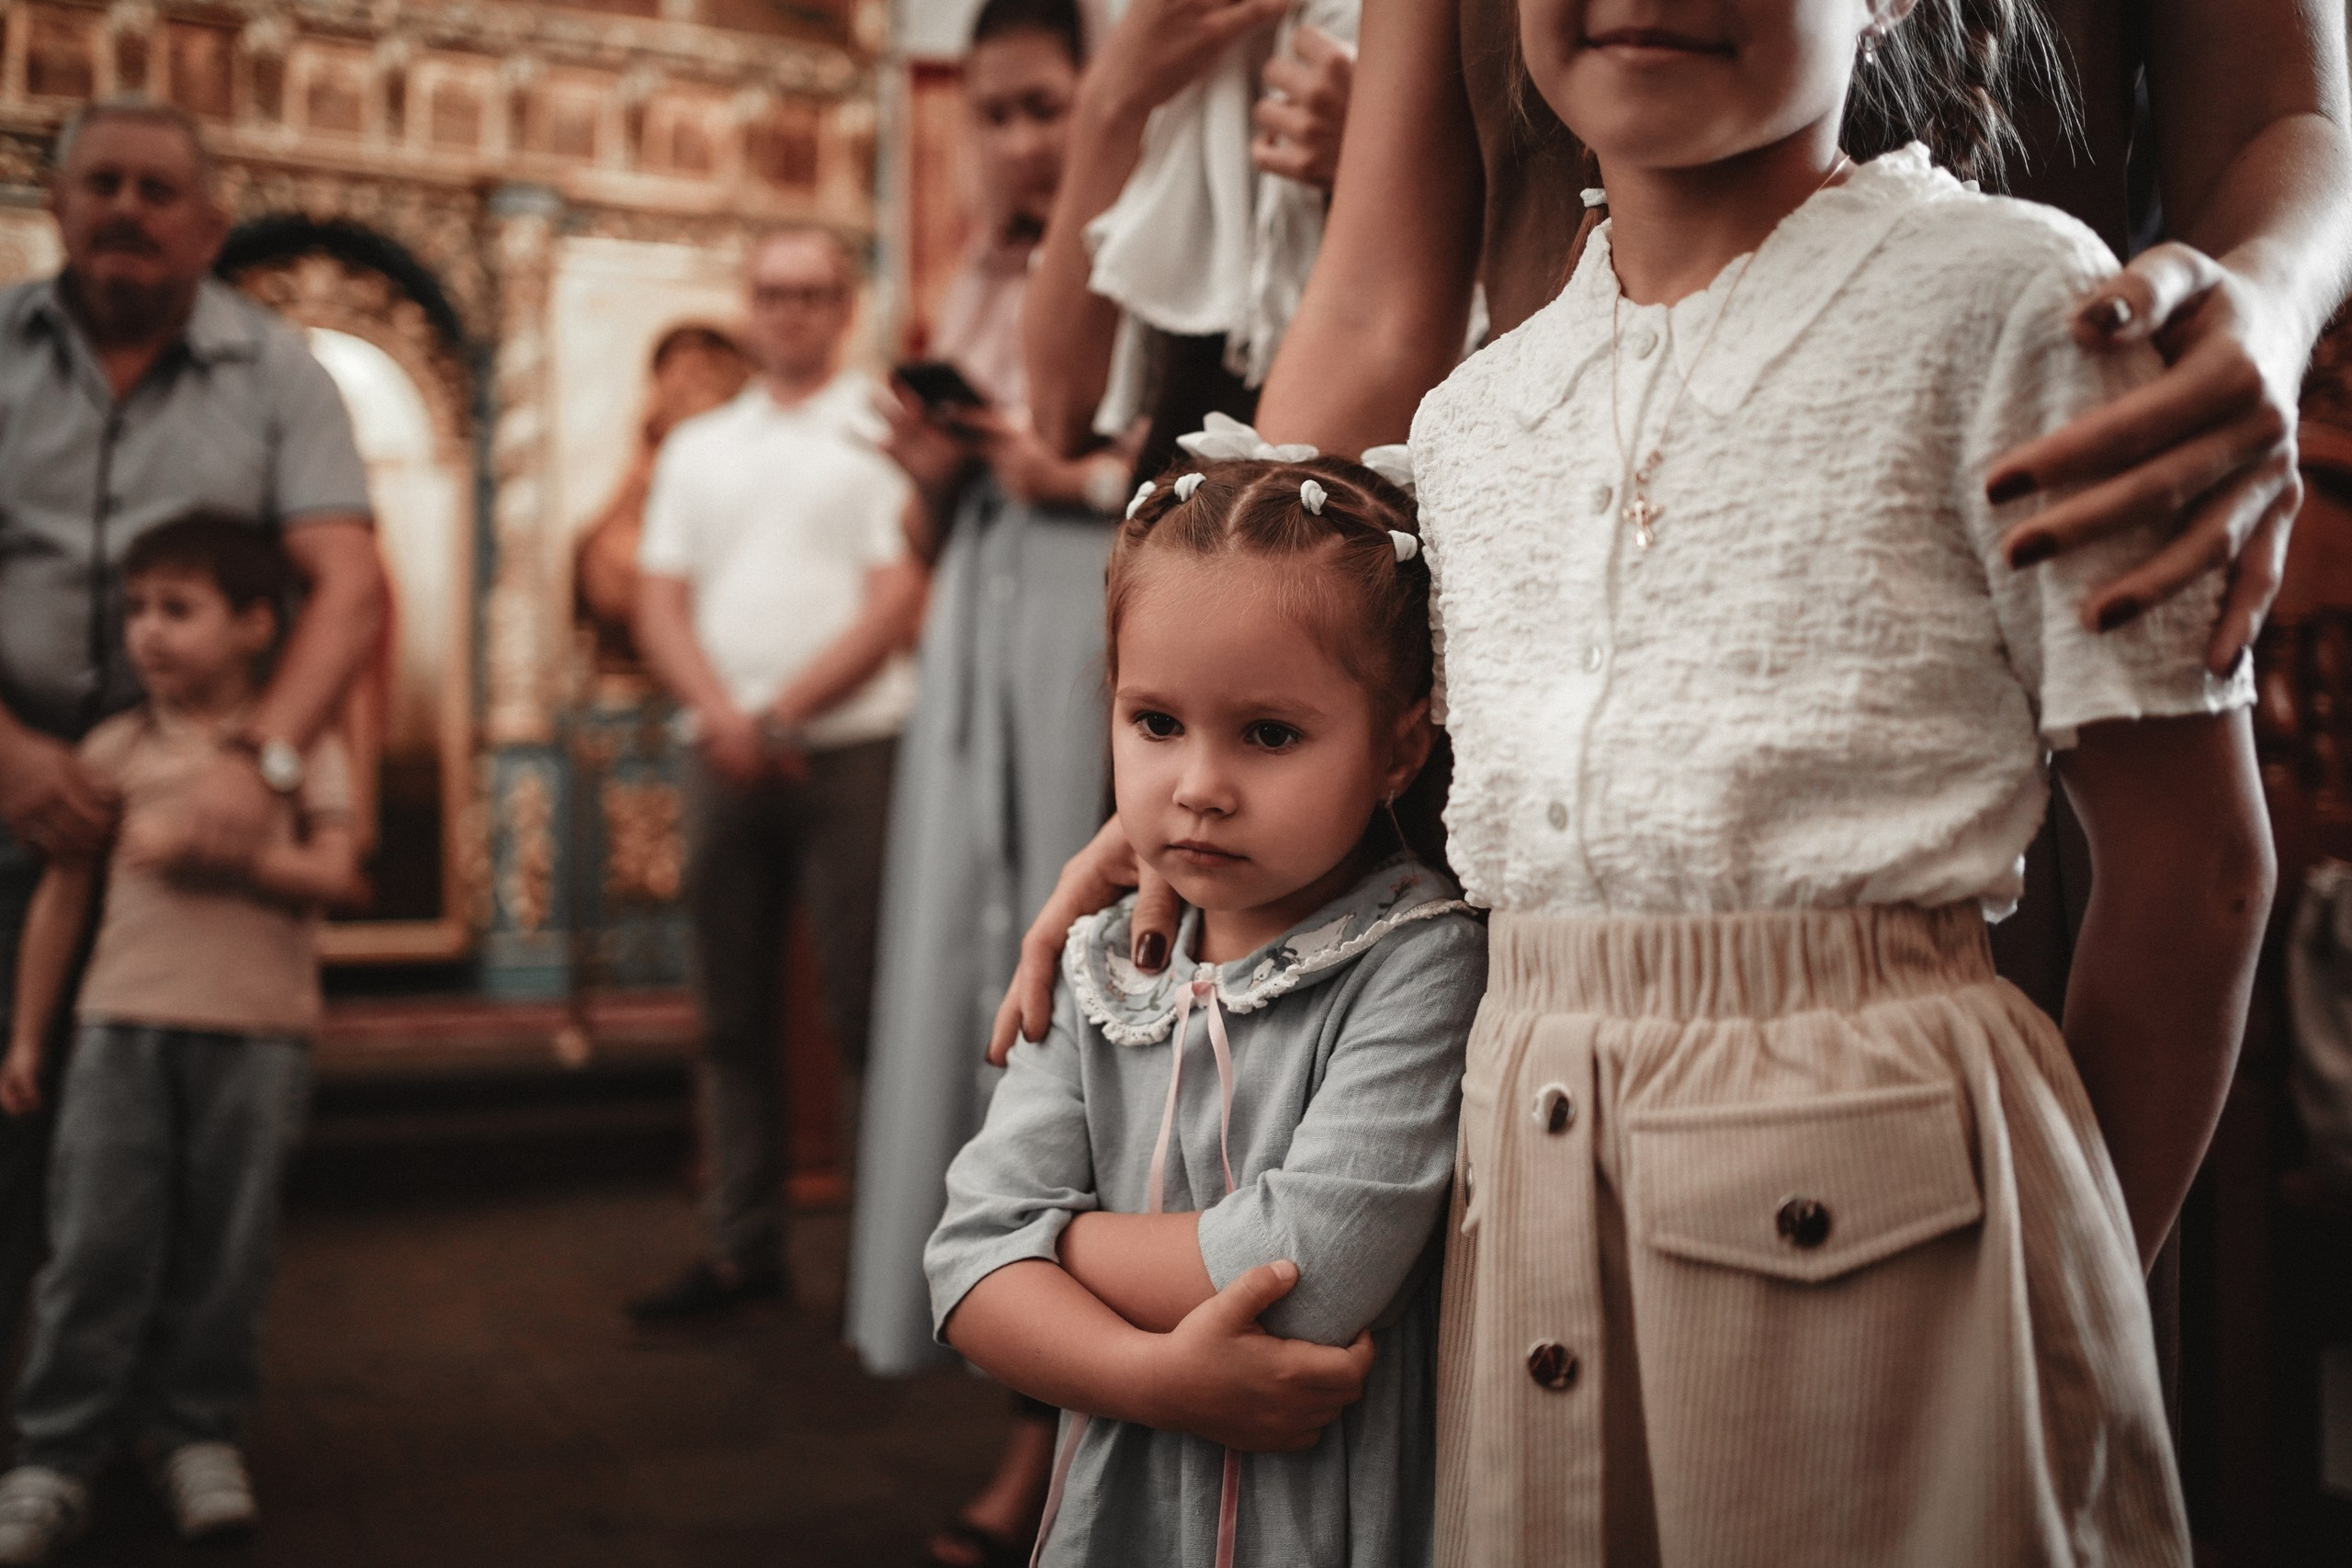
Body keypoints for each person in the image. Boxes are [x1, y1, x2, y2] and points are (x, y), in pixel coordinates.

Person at [1404, 0, 2267, 1557]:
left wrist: (2056, 1283)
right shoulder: (1471, 420)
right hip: (1532, 1234)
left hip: (1911, 1271)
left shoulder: (2018, 304)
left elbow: (2197, 869)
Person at [926, 448, 1482, 1567]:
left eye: (1269, 734)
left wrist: (1050, 1246)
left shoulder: (1417, 962)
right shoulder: (1097, 970)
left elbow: (1309, 1267)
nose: (1197, 788)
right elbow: (964, 1274)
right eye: (1154, 722)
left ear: (1398, 749)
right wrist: (1152, 1379)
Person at [0, 97, 384, 1362]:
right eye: (101, 182)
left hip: (196, 805)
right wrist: (8, 752)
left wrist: (257, 760)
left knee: (178, 1159)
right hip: (11, 774)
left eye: (158, 190)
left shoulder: (280, 376)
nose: (127, 208)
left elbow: (346, 586)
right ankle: (48, 1426)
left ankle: (170, 1416)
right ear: (55, 204)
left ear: (212, 226)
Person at [842, 2, 1136, 1561]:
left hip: (1098, 631)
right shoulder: (965, 273)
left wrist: (1065, 469)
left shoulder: (1150, 236)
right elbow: (926, 537)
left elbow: (1241, 452)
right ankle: (1006, 1345)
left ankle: (1062, 1424)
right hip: (979, 638)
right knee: (972, 977)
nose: (1022, 141)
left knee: (1079, 999)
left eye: (1047, 107)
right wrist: (931, 476)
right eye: (999, 112)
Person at [0, 515, 365, 1563]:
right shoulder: (115, 748)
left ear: (255, 625)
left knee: (225, 1251)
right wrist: (28, 1036)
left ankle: (194, 1431)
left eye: (178, 609)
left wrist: (234, 856)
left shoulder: (298, 751)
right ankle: (56, 1450)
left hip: (256, 1033)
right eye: (137, 610)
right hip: (120, 1024)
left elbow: (339, 876)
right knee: (95, 1244)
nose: (148, 633)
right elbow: (62, 901)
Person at [628, 225, 926, 1323]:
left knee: (862, 1009)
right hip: (721, 750)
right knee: (728, 1014)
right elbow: (658, 600)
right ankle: (739, 1251)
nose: (789, 311)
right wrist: (727, 717)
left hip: (854, 743)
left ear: (844, 309)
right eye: (770, 292)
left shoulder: (878, 432)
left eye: (810, 294)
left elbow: (896, 597)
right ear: (747, 306)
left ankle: (880, 1270)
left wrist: (785, 711)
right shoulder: (699, 447)